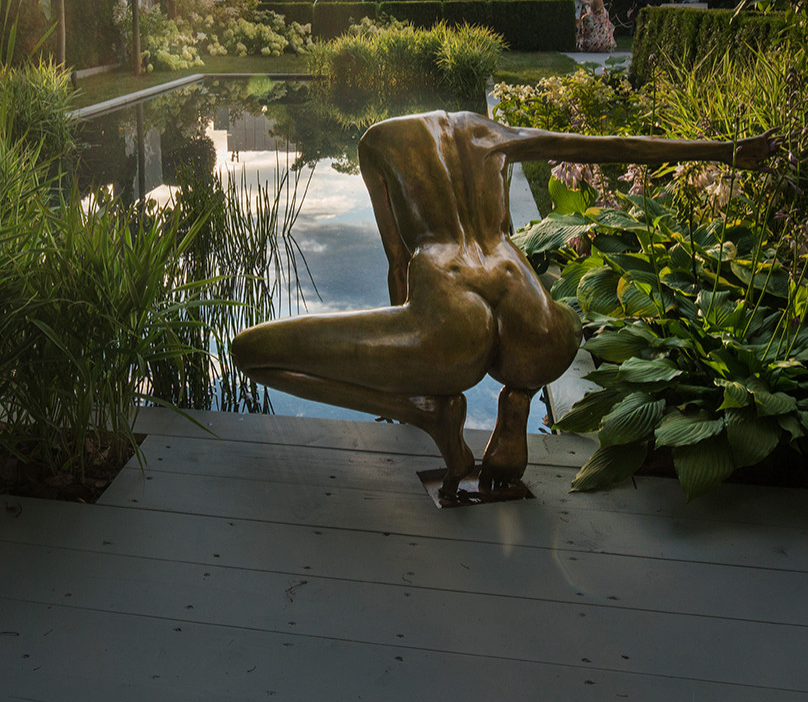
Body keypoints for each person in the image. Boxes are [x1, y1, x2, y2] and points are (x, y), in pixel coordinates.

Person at [231, 112, 776, 498]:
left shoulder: (379, 142)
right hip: (531, 318)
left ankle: (424, 414)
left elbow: (397, 261)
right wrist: (732, 152)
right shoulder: (496, 134)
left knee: (250, 352)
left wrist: (408, 371)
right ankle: (515, 405)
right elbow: (619, 145)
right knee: (562, 318)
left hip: (448, 305)